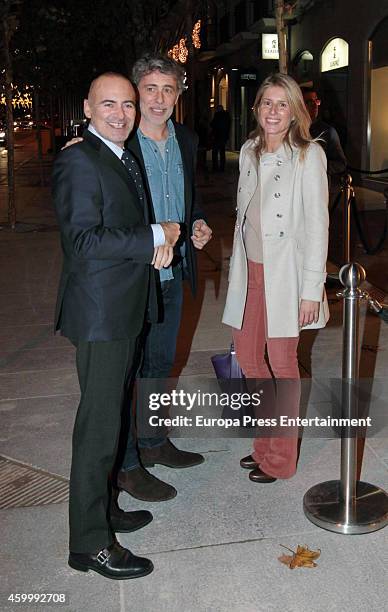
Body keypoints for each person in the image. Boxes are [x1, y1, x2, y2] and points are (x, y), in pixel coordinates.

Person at [53, 72, 180, 579]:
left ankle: (103, 513)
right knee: (99, 429)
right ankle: (87, 544)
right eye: (109, 104)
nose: (121, 113)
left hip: (121, 309)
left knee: (110, 420)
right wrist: (154, 232)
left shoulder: (116, 153)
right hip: (102, 315)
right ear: (88, 106)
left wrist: (158, 240)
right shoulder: (79, 158)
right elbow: (83, 242)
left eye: (128, 104)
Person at [222, 73, 330, 483]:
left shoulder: (308, 155)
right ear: (256, 108)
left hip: (286, 275)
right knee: (249, 360)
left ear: (295, 111)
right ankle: (264, 445)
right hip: (248, 271)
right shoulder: (249, 150)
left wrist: (311, 288)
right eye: (267, 102)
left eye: (282, 104)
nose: (273, 111)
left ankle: (280, 460)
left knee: (282, 364)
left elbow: (318, 227)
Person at [117, 55, 213, 502]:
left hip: (174, 274)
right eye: (150, 89)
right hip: (133, 277)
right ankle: (126, 463)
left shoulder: (186, 140)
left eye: (168, 90)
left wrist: (197, 223)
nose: (159, 99)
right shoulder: (119, 143)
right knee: (127, 370)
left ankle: (153, 442)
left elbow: (186, 198)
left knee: (160, 364)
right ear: (137, 92)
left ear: (178, 95)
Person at [301, 86, 347, 180]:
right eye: (309, 102)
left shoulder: (327, 131)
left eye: (316, 101)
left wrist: (320, 166)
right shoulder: (290, 129)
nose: (315, 105)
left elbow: (341, 163)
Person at [210, 104, 231, 172]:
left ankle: (215, 167)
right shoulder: (226, 116)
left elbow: (213, 124)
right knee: (222, 152)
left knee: (215, 152)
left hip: (217, 136)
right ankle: (222, 167)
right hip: (223, 136)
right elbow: (228, 126)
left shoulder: (217, 115)